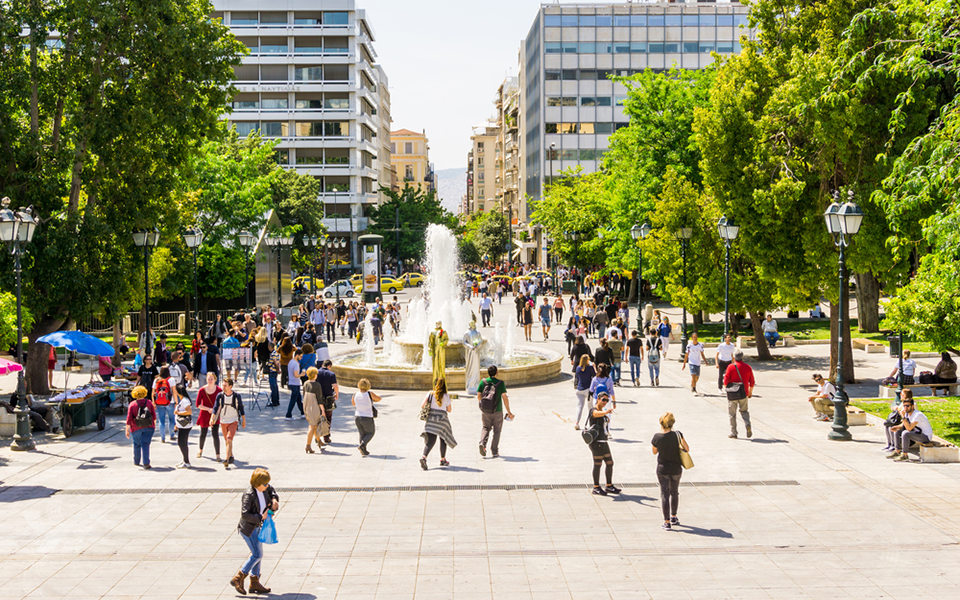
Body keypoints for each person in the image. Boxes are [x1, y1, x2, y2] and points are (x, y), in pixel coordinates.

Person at [231, 468, 280, 595]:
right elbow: (245, 514)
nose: (267, 485)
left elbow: (272, 490)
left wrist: (274, 499)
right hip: (249, 529)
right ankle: (239, 577)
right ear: (257, 484)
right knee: (257, 554)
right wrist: (260, 517)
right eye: (264, 484)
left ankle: (255, 582)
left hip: (258, 527)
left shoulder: (264, 488)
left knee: (258, 553)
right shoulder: (249, 495)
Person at [651, 412, 689, 530]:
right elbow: (687, 449)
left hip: (663, 469)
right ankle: (674, 516)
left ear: (661, 423)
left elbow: (654, 452)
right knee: (674, 492)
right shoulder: (678, 434)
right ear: (672, 423)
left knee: (664, 494)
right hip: (676, 468)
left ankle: (666, 522)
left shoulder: (657, 437)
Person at [587, 387, 619, 496]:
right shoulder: (594, 410)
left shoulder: (601, 411)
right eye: (603, 400)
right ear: (598, 399)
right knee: (598, 464)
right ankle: (596, 487)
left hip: (604, 442)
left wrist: (606, 416)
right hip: (597, 443)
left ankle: (609, 485)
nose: (605, 402)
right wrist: (606, 412)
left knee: (610, 463)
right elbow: (595, 414)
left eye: (607, 400)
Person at [477, 365, 513, 458]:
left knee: (485, 427)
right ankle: (494, 451)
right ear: (496, 373)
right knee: (497, 431)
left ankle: (482, 443)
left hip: (485, 410)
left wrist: (482, 404)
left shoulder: (483, 382)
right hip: (497, 410)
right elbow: (504, 397)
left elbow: (479, 395)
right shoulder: (500, 383)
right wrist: (509, 411)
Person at [420, 378, 457, 470]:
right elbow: (449, 410)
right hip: (442, 421)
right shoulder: (446, 396)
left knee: (431, 441)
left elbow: (422, 405)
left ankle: (424, 457)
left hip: (431, 420)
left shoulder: (430, 394)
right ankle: (443, 459)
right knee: (443, 439)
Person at [886, 392, 934, 461]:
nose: (906, 408)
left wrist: (903, 416)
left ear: (912, 406)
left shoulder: (917, 415)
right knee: (898, 431)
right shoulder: (907, 414)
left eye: (907, 406)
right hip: (916, 433)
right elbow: (904, 425)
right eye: (904, 406)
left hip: (925, 437)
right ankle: (897, 451)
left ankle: (905, 455)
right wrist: (896, 427)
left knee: (905, 433)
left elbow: (909, 428)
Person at [723, 350, 755, 439]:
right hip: (743, 393)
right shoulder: (748, 367)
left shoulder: (730, 367)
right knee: (744, 411)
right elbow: (752, 381)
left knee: (732, 414)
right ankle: (747, 424)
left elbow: (726, 381)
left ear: (734, 357)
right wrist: (750, 392)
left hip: (732, 394)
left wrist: (727, 390)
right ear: (742, 357)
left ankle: (734, 432)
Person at [215, 378, 245, 468]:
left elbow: (241, 408)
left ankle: (226, 459)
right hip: (223, 420)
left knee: (229, 438)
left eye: (225, 385)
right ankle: (231, 456)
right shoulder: (220, 396)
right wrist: (212, 418)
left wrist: (244, 420)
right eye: (223, 385)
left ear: (230, 386)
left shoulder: (236, 396)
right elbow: (216, 407)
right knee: (227, 441)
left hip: (233, 420)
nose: (223, 387)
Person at [125, 385, 156, 469]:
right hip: (149, 427)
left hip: (136, 427)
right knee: (146, 444)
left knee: (136, 443)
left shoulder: (132, 404)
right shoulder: (149, 402)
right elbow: (153, 415)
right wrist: (154, 425)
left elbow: (129, 418)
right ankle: (146, 462)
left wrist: (127, 429)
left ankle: (137, 461)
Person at [352, 378, 381, 456]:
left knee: (362, 434)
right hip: (367, 416)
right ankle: (362, 445)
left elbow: (353, 403)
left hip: (357, 416)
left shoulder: (355, 394)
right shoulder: (369, 393)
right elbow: (379, 398)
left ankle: (364, 450)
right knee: (371, 432)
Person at [196, 372, 221, 461]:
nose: (210, 381)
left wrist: (215, 411)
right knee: (203, 433)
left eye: (211, 379)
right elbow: (197, 404)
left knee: (215, 434)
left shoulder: (219, 390)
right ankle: (200, 450)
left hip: (215, 414)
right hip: (204, 413)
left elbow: (221, 404)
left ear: (215, 379)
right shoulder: (202, 390)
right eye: (208, 379)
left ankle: (218, 455)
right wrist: (208, 409)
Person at [302, 367, 326, 453]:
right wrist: (323, 410)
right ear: (314, 375)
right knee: (312, 426)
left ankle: (319, 441)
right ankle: (308, 445)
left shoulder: (305, 383)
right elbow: (319, 400)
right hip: (314, 407)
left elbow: (304, 395)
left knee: (314, 425)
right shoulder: (317, 385)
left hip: (307, 406)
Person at [317, 360, 340, 444]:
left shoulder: (317, 372)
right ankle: (326, 437)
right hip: (328, 398)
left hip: (318, 397)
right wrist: (337, 394)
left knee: (318, 417)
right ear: (329, 366)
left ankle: (317, 436)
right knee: (328, 417)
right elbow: (335, 386)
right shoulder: (331, 374)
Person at [152, 366, 175, 443]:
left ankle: (163, 438)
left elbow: (153, 393)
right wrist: (177, 402)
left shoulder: (156, 380)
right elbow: (174, 391)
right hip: (170, 402)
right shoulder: (171, 379)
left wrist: (153, 402)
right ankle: (171, 435)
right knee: (171, 419)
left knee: (161, 420)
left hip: (159, 402)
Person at [174, 379, 193, 469]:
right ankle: (185, 460)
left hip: (185, 426)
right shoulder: (183, 400)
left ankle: (187, 462)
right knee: (182, 443)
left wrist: (177, 413)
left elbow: (189, 412)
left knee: (182, 443)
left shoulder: (185, 401)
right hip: (181, 425)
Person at [573, 355, 596, 430]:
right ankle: (591, 423)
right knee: (590, 407)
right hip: (588, 389)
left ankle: (576, 422)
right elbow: (595, 376)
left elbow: (577, 377)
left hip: (579, 389)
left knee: (579, 406)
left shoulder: (578, 368)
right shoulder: (590, 368)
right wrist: (593, 366)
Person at [285, 350, 304, 420]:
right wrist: (301, 374)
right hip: (295, 383)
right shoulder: (296, 364)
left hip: (291, 382)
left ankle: (303, 413)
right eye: (301, 356)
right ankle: (288, 415)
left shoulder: (291, 362)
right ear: (297, 355)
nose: (301, 358)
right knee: (293, 400)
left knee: (298, 399)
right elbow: (296, 375)